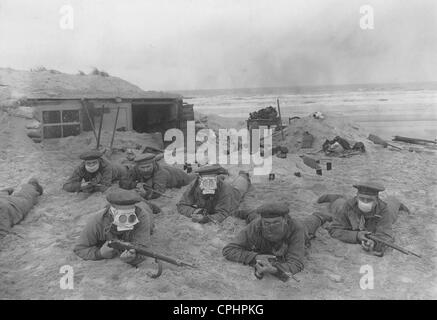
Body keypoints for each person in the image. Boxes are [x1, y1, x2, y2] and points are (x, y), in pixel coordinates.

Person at [222, 202, 332, 278]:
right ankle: (249, 212)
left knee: (308, 226)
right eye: (267, 223)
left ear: (285, 220)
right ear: (262, 221)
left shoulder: (295, 228)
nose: (271, 227)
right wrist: (254, 258)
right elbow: (229, 250)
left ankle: (318, 216)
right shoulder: (256, 225)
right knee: (253, 217)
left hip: (300, 230)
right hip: (258, 225)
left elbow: (296, 263)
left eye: (276, 222)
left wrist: (275, 269)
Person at [318, 181, 410, 257]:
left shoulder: (383, 209)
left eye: (369, 200)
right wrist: (356, 236)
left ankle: (396, 202)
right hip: (343, 205)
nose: (365, 202)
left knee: (392, 206)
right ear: (357, 197)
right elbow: (334, 230)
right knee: (338, 203)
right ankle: (335, 197)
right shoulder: (348, 206)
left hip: (383, 212)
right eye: (361, 198)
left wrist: (373, 243)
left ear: (376, 200)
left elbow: (386, 236)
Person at [73, 189, 153, 266]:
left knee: (150, 223)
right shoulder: (97, 221)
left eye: (131, 216)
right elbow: (80, 248)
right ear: (112, 212)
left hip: (145, 207)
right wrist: (99, 254)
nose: (127, 221)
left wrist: (132, 259)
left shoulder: (141, 216)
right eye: (122, 217)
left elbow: (143, 249)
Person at [177, 164, 251, 224]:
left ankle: (244, 174)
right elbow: (181, 205)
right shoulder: (195, 184)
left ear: (216, 179)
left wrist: (205, 219)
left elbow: (223, 213)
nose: (208, 184)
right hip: (220, 187)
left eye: (211, 180)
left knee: (242, 181)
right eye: (205, 180)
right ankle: (227, 175)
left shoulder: (225, 189)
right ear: (199, 179)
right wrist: (195, 211)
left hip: (235, 193)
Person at [119, 153, 196, 199]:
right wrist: (135, 184)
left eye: (148, 167)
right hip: (164, 173)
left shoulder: (161, 174)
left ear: (153, 164)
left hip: (178, 176)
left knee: (192, 177)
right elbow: (123, 182)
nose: (145, 170)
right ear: (137, 167)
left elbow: (158, 192)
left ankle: (197, 171)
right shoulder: (134, 169)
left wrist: (145, 194)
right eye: (142, 167)